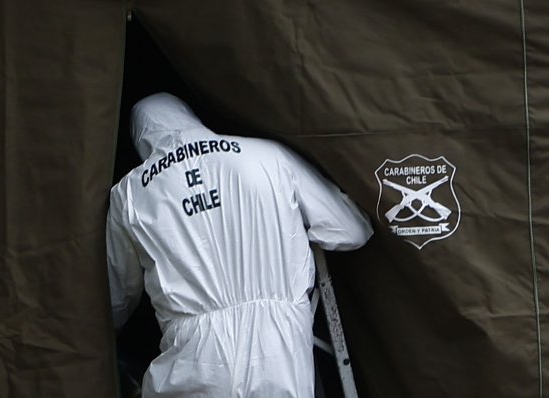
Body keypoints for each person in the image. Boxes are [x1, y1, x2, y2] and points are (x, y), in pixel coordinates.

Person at [106, 92, 373, 398]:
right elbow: (351, 230)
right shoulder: (267, 156)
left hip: (193, 360)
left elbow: (115, 297)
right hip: (278, 350)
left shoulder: (128, 194)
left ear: (140, 137)